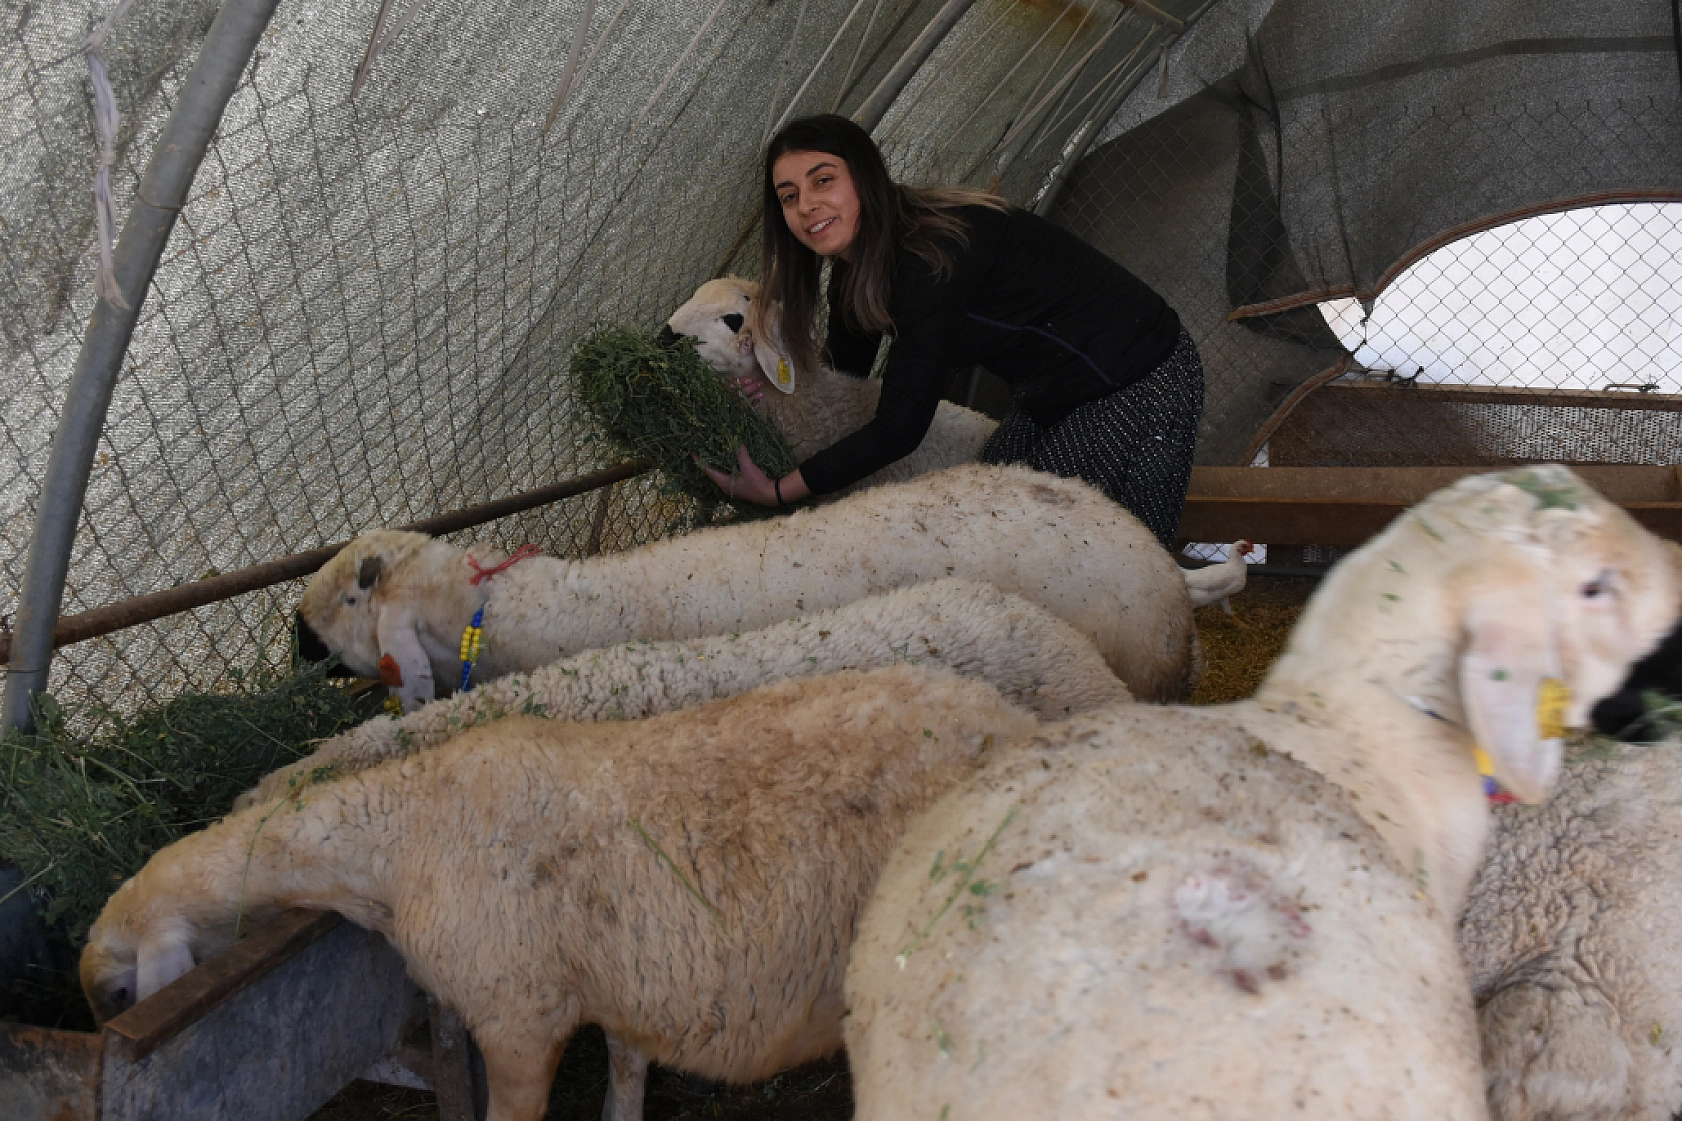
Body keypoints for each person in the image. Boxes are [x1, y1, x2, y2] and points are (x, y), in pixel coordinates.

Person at [698, 113, 1204, 551]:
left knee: (1083, 544)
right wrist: (775, 390)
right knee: (991, 500)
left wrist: (781, 491)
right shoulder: (859, 265)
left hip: (1138, 378)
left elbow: (900, 427)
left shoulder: (927, 263)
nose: (806, 205)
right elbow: (843, 375)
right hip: (1056, 393)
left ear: (865, 176)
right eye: (789, 196)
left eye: (823, 180)